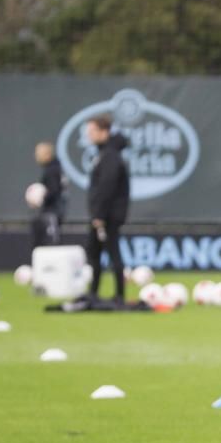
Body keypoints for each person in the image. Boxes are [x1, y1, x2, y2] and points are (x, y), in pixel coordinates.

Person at [84, 115, 130, 304]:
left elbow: (107, 186)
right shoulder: (103, 153)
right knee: (94, 252)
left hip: (108, 215)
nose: (89, 135)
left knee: (112, 253)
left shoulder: (110, 155)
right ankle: (93, 292)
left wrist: (99, 215)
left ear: (104, 132)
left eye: (92, 131)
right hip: (103, 213)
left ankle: (119, 295)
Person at [31, 141, 67, 248]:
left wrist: (39, 199)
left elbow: (53, 191)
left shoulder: (52, 170)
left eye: (38, 153)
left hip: (52, 212)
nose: (36, 156)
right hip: (54, 211)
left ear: (47, 154)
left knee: (51, 241)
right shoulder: (55, 168)